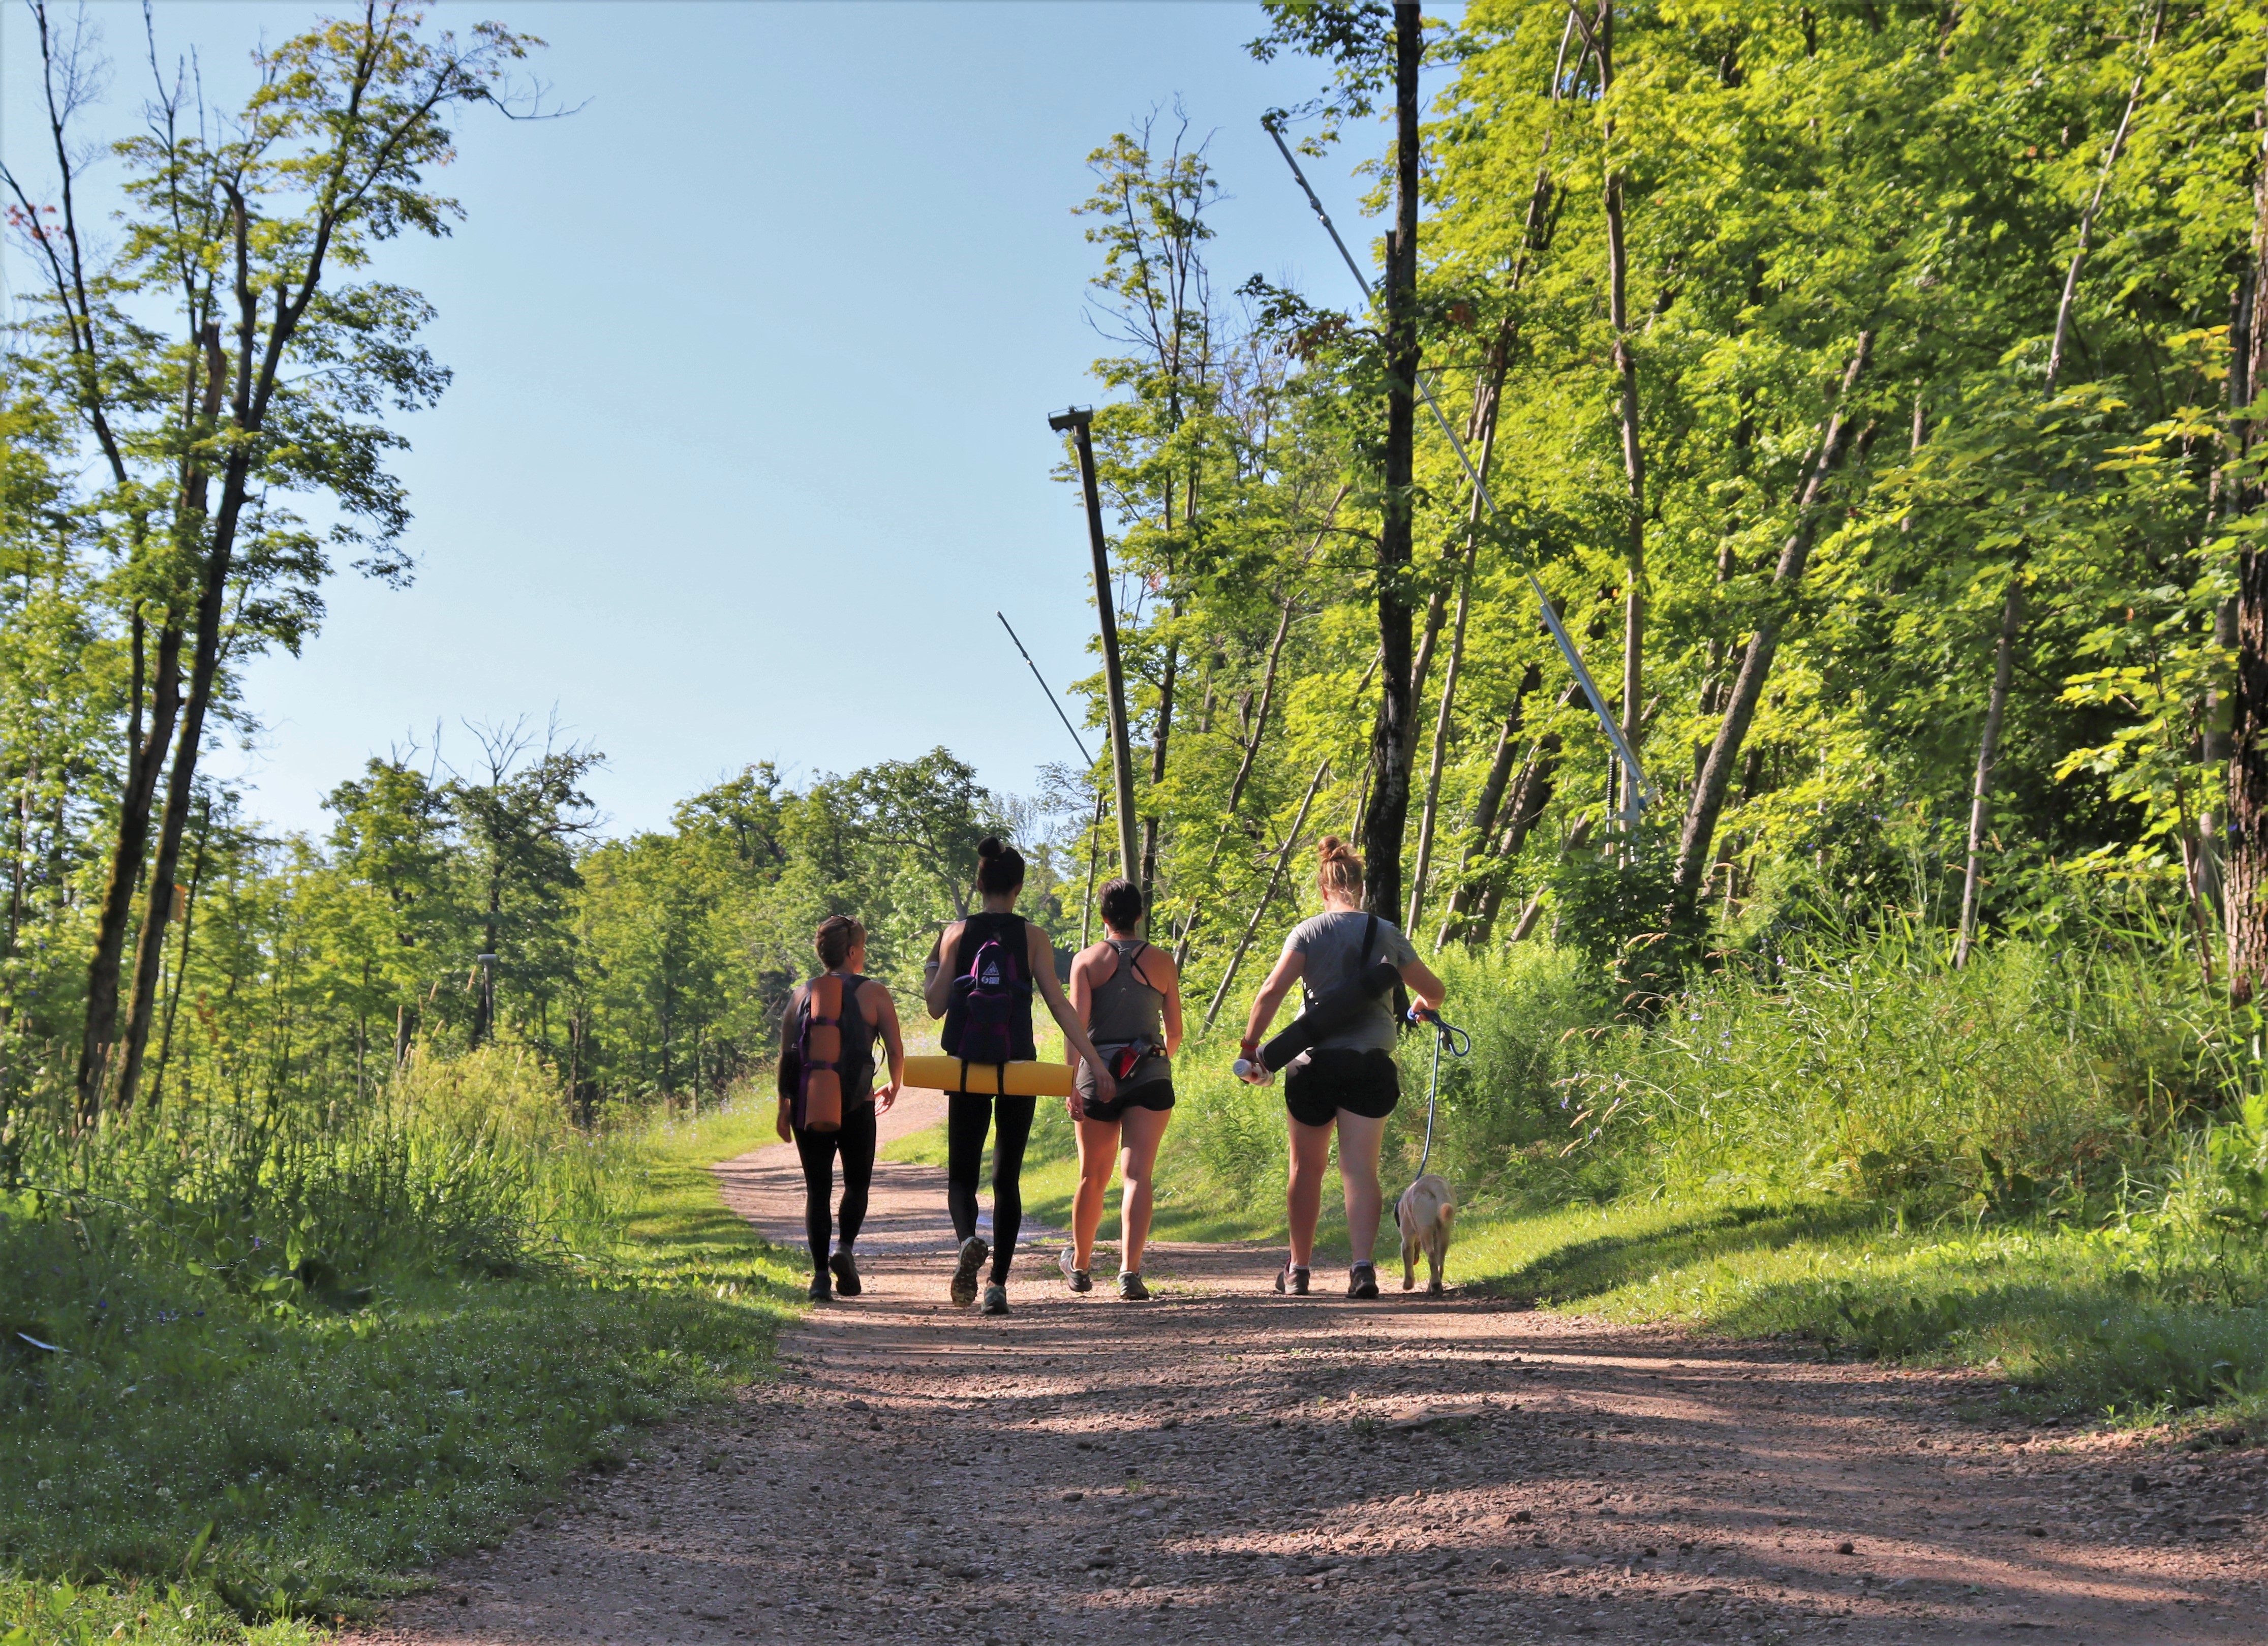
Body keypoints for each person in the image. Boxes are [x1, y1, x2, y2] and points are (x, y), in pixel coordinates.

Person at [1238, 837, 1446, 1299]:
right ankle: (1363, 1269)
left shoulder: (1307, 932)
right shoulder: (1385, 931)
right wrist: (1422, 1005)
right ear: (1361, 885)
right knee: (1359, 1171)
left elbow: (1271, 991)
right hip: (1368, 1066)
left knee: (1305, 1169)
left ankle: (1299, 1270)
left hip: (1311, 1066)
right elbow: (1434, 988)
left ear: (1323, 888)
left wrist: (1252, 1047)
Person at [923, 836, 1116, 1316]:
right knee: (1007, 1179)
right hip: (1017, 1069)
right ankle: (997, 1287)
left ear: (978, 882)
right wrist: (1094, 1062)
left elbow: (934, 1007)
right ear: (1020, 886)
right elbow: (1059, 1005)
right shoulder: (1033, 937)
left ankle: (969, 1238)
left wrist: (932, 968)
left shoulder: (954, 933)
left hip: (967, 1067)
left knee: (962, 1177)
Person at [1059, 878, 1182, 1301]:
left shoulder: (1086, 961)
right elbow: (1176, 1032)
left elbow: (1075, 1027)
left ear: (1104, 917)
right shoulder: (1164, 962)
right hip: (1149, 1072)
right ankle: (1130, 1272)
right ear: (1140, 915)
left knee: (1093, 1176)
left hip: (1098, 1077)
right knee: (1137, 1176)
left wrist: (1070, 1082)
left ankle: (1080, 1266)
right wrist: (1158, 1060)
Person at [777, 915, 904, 1303]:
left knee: (818, 1189)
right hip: (856, 1105)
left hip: (809, 1102)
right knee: (856, 1184)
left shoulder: (801, 995)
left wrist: (784, 1106)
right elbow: (896, 1049)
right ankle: (844, 1248)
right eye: (862, 948)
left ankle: (818, 1279)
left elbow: (786, 1057)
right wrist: (895, 1085)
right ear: (852, 952)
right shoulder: (874, 993)